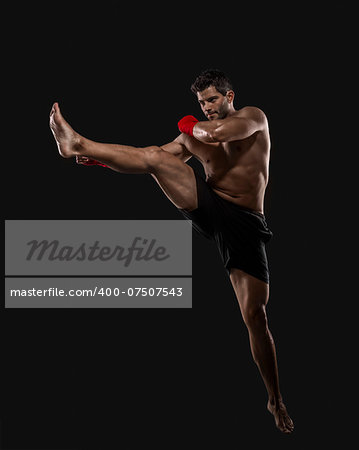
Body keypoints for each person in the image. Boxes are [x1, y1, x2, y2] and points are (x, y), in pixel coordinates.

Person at [49, 69, 294, 433]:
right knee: (156, 159)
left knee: (255, 315)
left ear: (229, 96)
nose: (206, 107)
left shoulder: (252, 118)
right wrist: (100, 159)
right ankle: (78, 143)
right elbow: (149, 157)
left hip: (244, 222)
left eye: (211, 99)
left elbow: (215, 133)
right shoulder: (193, 133)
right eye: (200, 103)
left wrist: (188, 123)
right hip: (210, 205)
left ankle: (274, 398)